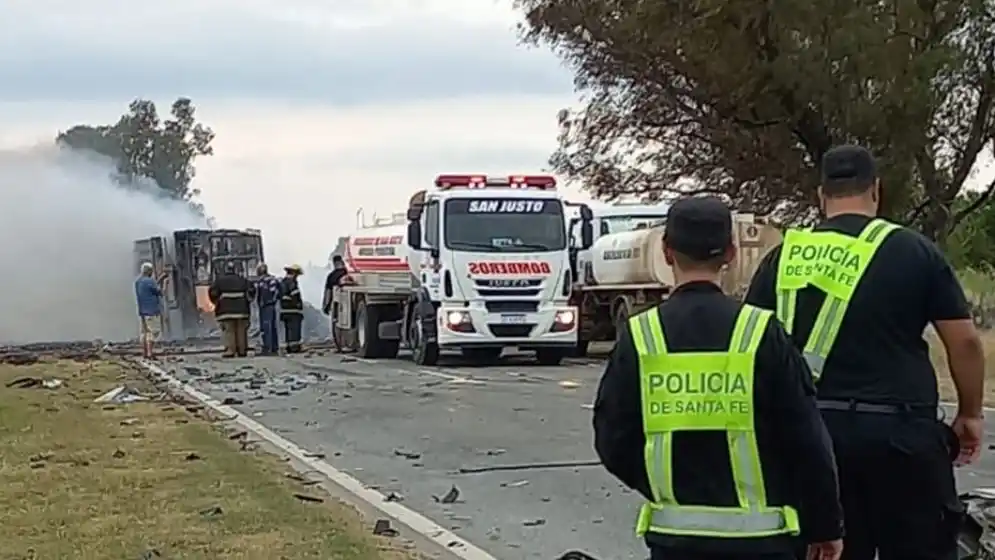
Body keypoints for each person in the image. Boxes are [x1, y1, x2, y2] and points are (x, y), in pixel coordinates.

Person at [745, 144, 986, 560]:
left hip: (815, 442)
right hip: (902, 440)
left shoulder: (782, 258)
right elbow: (963, 341)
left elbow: (752, 347)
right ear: (876, 190)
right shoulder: (913, 250)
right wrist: (970, 413)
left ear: (822, 195)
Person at [594, 196, 843, 560]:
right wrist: (825, 527)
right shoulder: (761, 331)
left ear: (666, 252)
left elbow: (613, 439)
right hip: (762, 544)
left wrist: (666, 489)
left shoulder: (641, 335)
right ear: (730, 253)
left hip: (676, 541)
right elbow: (807, 440)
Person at [208, 261, 256, 358]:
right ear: (235, 270)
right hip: (242, 311)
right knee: (241, 331)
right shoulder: (243, 280)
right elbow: (251, 291)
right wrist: (247, 301)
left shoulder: (219, 281)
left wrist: (216, 302)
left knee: (229, 331)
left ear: (226, 270)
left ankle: (230, 350)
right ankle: (242, 350)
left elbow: (212, 293)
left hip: (226, 311)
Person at [135, 262, 166, 359]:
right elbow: (161, 292)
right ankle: (150, 353)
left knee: (144, 332)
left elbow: (151, 288)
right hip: (151, 310)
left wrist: (161, 278)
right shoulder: (150, 281)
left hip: (142, 311)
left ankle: (145, 353)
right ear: (150, 271)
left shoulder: (138, 281)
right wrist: (165, 283)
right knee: (153, 332)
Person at [255, 263, 282, 356]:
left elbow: (262, 294)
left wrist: (264, 302)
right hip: (271, 306)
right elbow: (277, 292)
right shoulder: (273, 280)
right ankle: (274, 348)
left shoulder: (262, 281)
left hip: (266, 306)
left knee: (266, 328)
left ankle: (267, 348)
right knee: (272, 327)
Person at [280, 264, 305, 353]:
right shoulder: (292, 283)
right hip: (293, 310)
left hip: (284, 311)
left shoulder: (283, 282)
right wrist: (299, 305)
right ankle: (294, 348)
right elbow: (295, 296)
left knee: (288, 330)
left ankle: (289, 347)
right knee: (295, 330)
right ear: (294, 273)